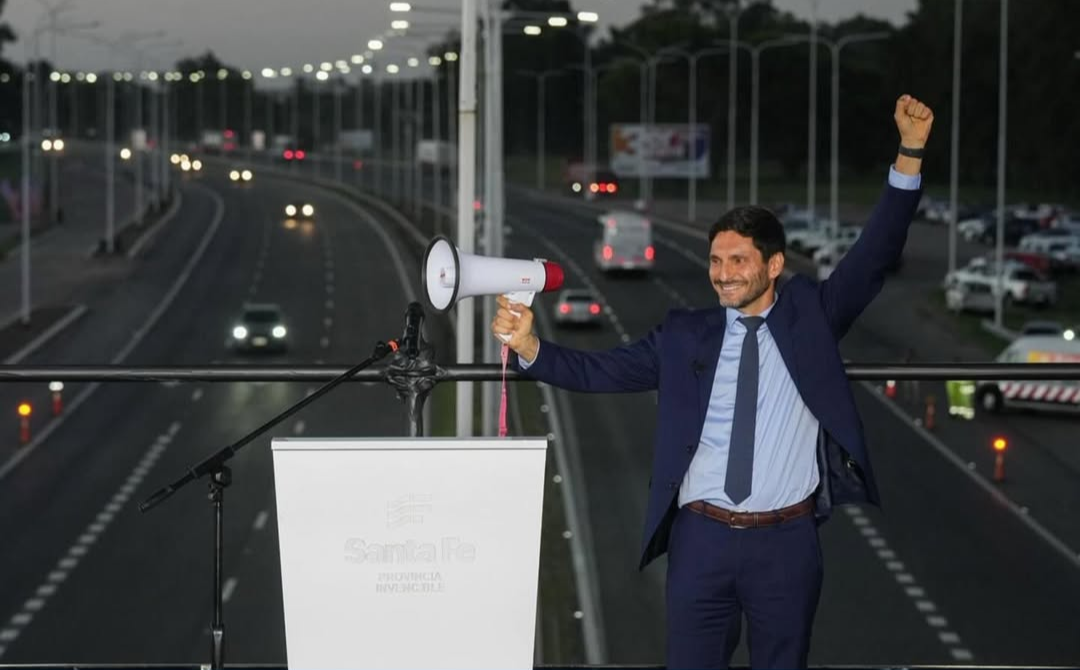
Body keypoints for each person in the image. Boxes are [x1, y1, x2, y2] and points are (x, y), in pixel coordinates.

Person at [491, 94, 934, 669]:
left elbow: (875, 254)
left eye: (738, 261)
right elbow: (603, 371)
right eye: (716, 261)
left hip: (786, 542)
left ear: (774, 266)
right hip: (701, 539)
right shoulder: (684, 335)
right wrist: (531, 347)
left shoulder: (813, 317)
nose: (723, 275)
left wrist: (909, 153)